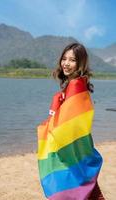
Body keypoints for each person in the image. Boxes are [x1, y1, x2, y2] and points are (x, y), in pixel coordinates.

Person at [37, 42, 105, 200]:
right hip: (79, 146)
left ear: (80, 63)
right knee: (88, 189)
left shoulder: (75, 85)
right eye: (64, 59)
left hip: (71, 147)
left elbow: (63, 126)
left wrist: (52, 112)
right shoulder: (77, 84)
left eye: (72, 60)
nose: (66, 63)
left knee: (70, 189)